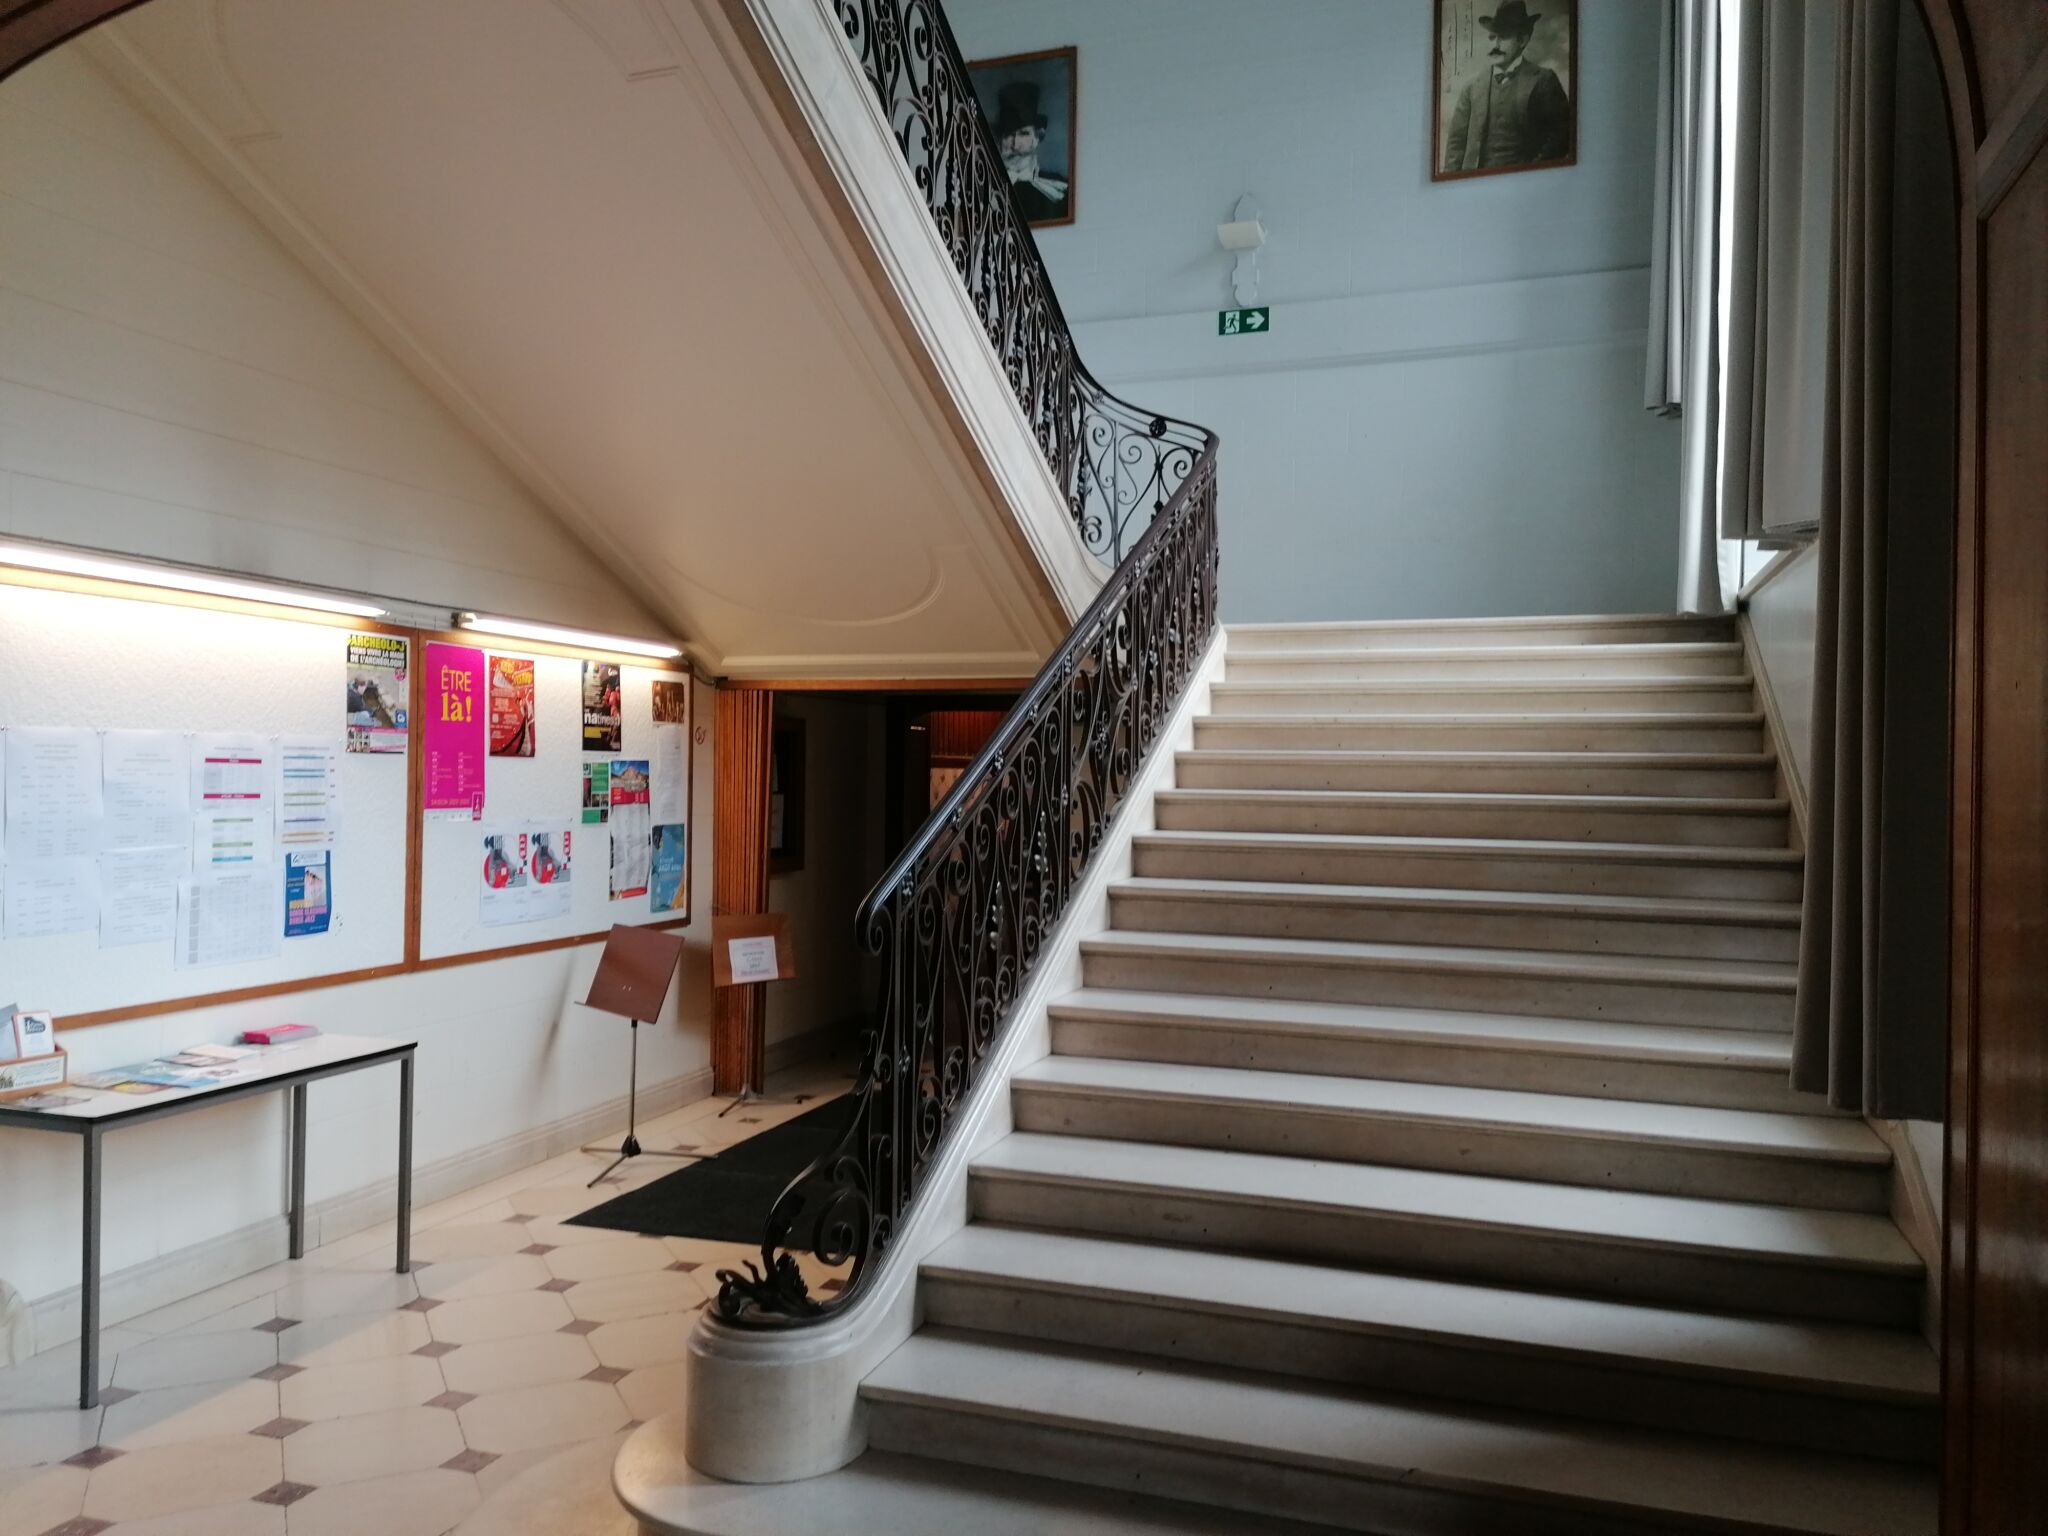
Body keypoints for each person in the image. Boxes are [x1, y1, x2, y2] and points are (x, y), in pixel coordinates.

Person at [1443, 2, 1571, 172]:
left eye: (1503, 37)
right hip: (1476, 183)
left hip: (1525, 181)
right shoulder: (1472, 88)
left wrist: (1532, 171)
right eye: (1491, 37)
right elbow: (1456, 145)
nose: (1495, 45)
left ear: (1522, 40)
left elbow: (1561, 135)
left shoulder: (1543, 80)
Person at [990, 79, 1070, 222]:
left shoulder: (1060, 189)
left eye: (1023, 134)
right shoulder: (983, 189)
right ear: (999, 139)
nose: (1015, 144)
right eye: (1008, 134)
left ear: (1038, 137)